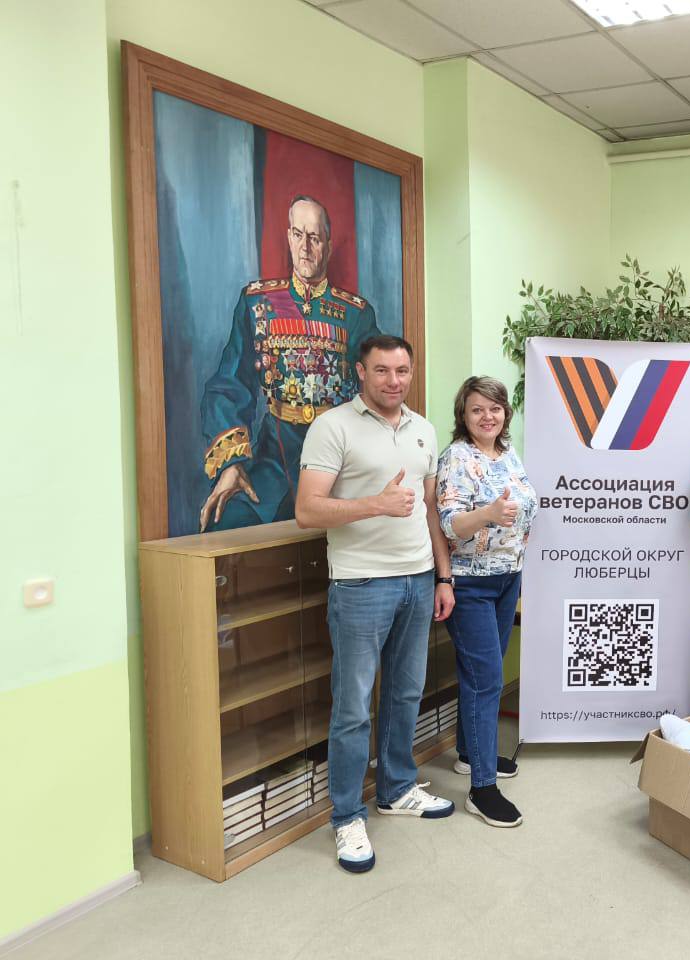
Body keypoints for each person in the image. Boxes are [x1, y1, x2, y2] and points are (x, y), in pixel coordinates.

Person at [295, 335, 456, 874]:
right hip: (361, 584)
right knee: (353, 706)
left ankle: (397, 788)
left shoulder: (423, 429)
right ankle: (346, 816)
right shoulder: (332, 427)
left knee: (406, 692)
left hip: (417, 580)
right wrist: (376, 504)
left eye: (402, 370)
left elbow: (429, 509)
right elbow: (307, 510)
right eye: (382, 370)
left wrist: (442, 575)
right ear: (361, 372)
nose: (394, 380)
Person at [201, 195, 383, 532]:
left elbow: (378, 389)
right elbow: (230, 384)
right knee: (226, 521)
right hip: (276, 454)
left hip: (337, 455)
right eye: (298, 235)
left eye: (314, 238)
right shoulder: (257, 303)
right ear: (288, 237)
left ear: (328, 245)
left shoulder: (356, 313)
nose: (305, 247)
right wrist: (232, 464)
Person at [436, 376, 537, 828]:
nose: (487, 416)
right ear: (464, 414)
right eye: (477, 409)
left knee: (481, 674)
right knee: (487, 681)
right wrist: (489, 515)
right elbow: (450, 525)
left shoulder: (507, 452)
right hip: (470, 585)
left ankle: (467, 752)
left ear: (505, 414)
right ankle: (482, 788)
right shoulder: (456, 457)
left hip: (507, 579)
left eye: (495, 408)